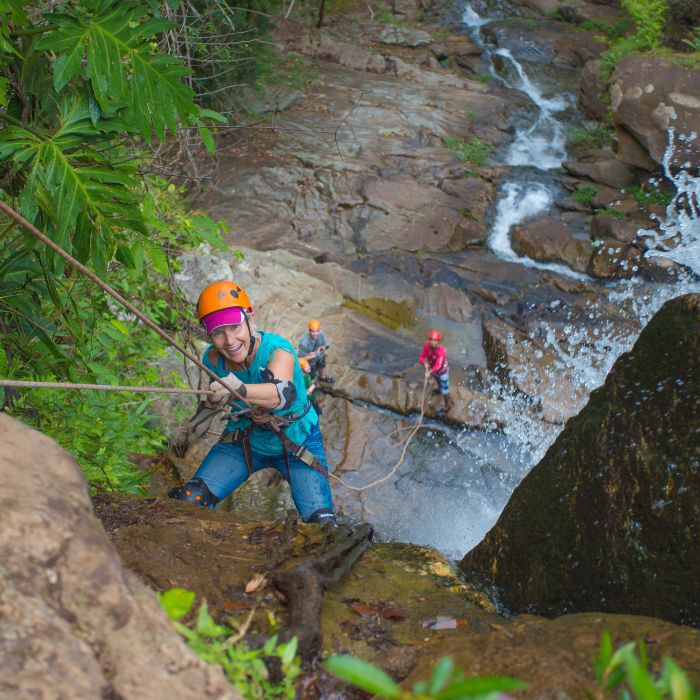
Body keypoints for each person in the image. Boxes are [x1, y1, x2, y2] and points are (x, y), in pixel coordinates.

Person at [169, 280, 336, 526]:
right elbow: (212, 404)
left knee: (323, 527)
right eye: (217, 332)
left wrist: (239, 389)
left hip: (297, 442)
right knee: (190, 500)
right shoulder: (213, 359)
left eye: (235, 327)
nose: (229, 340)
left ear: (249, 319)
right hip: (245, 440)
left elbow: (282, 394)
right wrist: (190, 430)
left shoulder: (279, 350)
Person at [418, 329, 452, 416]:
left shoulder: (441, 352)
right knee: (437, 380)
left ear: (438, 341)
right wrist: (424, 363)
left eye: (435, 340)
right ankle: (439, 388)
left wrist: (430, 371)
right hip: (433, 369)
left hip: (442, 371)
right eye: (431, 340)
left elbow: (439, 365)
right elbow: (421, 356)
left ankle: (448, 404)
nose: (432, 342)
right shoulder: (426, 346)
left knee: (445, 388)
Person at [298, 319, 334, 383]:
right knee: (311, 375)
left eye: (317, 331)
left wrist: (323, 347)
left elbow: (326, 344)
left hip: (320, 356)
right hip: (310, 363)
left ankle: (321, 377)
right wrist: (314, 354)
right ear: (309, 331)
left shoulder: (321, 333)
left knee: (321, 366)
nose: (315, 334)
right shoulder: (303, 343)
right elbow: (302, 359)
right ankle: (311, 384)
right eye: (313, 331)